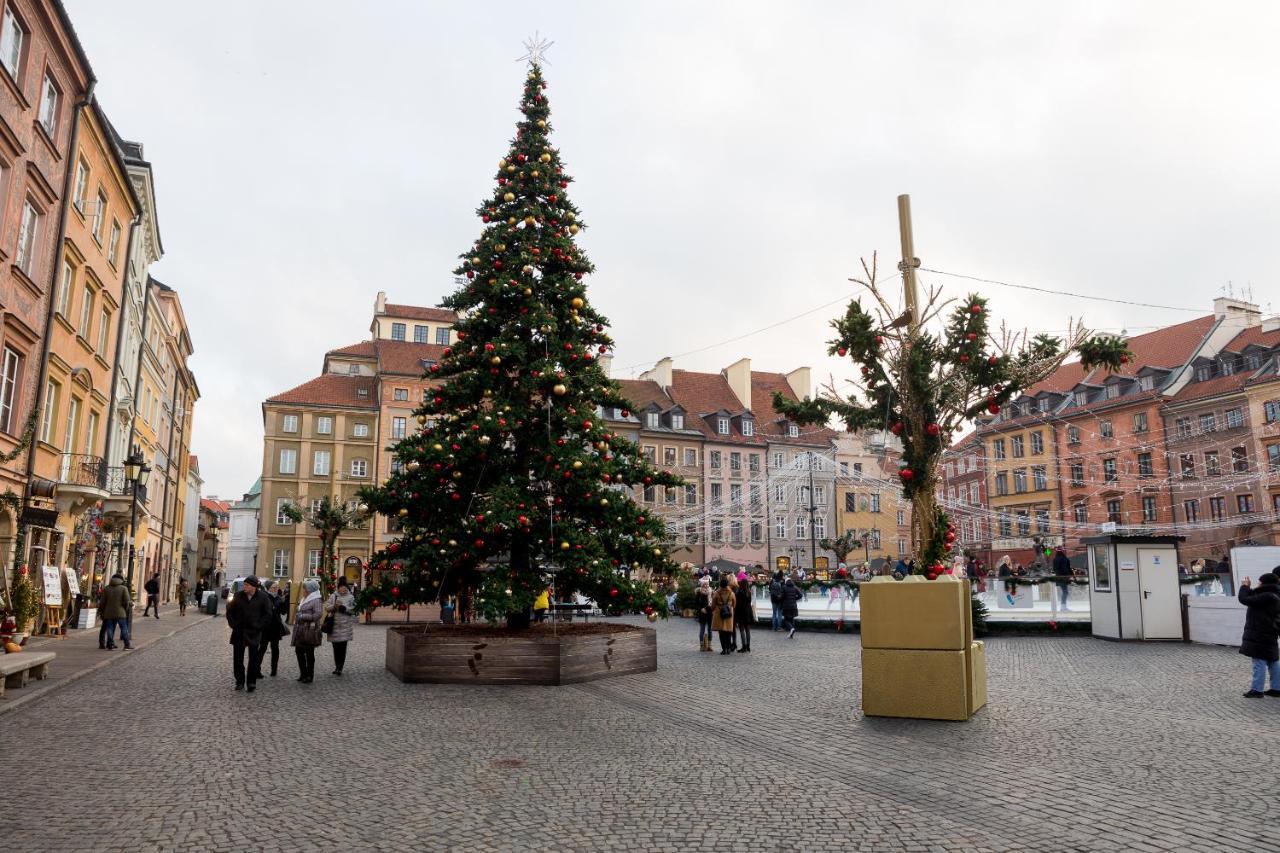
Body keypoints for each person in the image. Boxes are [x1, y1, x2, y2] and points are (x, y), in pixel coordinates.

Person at [1237, 571, 1280, 698]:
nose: (1258, 584)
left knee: (1259, 660)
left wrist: (1244, 587)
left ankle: (1257, 690)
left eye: (1259, 582)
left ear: (1264, 583)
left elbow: (1244, 599)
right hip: (1269, 632)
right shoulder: (1274, 595)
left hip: (1259, 632)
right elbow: (1253, 599)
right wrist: (1249, 588)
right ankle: (1276, 688)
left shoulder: (1267, 596)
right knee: (1272, 660)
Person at [226, 575, 272, 692]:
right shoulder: (238, 596)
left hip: (254, 632)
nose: (244, 587)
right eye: (244, 585)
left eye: (247, 585)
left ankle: (251, 682)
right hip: (239, 631)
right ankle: (240, 681)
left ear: (254, 587)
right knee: (238, 658)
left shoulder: (263, 597)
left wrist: (259, 626)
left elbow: (267, 614)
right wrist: (234, 625)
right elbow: (229, 612)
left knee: (253, 658)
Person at [292, 579, 323, 683]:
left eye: (305, 588)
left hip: (310, 630)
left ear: (310, 590)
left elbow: (318, 615)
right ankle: (303, 673)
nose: (304, 590)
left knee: (309, 653)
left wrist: (302, 616)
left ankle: (310, 675)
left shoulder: (316, 599)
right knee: (299, 652)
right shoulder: (304, 598)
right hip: (300, 630)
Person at [256, 580, 289, 678]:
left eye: (276, 587)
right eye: (273, 587)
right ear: (268, 588)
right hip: (265, 627)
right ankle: (257, 669)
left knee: (275, 648)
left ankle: (274, 669)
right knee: (262, 648)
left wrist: (285, 602)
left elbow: (283, 612)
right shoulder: (263, 597)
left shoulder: (278, 598)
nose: (275, 589)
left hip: (275, 626)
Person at [326, 578, 357, 675]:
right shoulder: (333, 596)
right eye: (341, 587)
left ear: (346, 588)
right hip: (334, 626)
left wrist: (344, 609)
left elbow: (354, 610)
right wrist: (334, 606)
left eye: (344, 587)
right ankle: (336, 666)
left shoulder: (350, 597)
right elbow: (327, 607)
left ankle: (340, 667)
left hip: (345, 626)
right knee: (335, 648)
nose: (342, 589)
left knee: (342, 648)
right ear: (338, 588)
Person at [100, 573, 133, 650]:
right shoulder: (123, 588)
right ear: (121, 580)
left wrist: (101, 611)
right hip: (120, 612)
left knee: (110, 628)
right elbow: (126, 601)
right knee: (124, 628)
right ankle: (126, 645)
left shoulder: (106, 588)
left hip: (108, 612)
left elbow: (102, 602)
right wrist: (126, 608)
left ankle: (110, 645)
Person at [711, 576, 736, 655]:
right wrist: (729, 607)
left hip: (719, 613)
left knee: (721, 632)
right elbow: (734, 604)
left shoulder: (716, 593)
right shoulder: (731, 593)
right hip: (729, 613)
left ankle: (724, 649)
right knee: (728, 632)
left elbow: (713, 605)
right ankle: (728, 649)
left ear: (720, 585)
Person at [734, 572, 753, 653]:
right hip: (748, 611)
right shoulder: (749, 592)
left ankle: (744, 646)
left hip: (741, 612)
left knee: (742, 629)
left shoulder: (739, 593)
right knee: (747, 629)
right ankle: (748, 646)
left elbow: (737, 604)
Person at [695, 576, 714, 652]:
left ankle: (709, 646)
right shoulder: (699, 593)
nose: (706, 586)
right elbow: (696, 604)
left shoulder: (711, 592)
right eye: (704, 584)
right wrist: (701, 609)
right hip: (702, 613)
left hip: (710, 613)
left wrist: (711, 605)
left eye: (707, 584)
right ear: (702, 585)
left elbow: (714, 602)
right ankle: (702, 645)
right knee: (702, 629)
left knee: (710, 630)